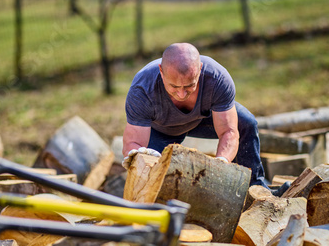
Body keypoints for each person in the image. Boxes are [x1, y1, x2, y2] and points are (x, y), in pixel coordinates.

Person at [121, 43, 289, 196]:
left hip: (204, 118)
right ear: (161, 71)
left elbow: (229, 131)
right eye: (174, 87)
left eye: (189, 86)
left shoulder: (217, 78)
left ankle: (256, 192)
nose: (181, 94)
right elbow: (133, 143)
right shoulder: (142, 89)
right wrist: (139, 155)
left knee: (245, 123)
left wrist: (220, 164)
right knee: (149, 178)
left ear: (200, 69)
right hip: (160, 129)